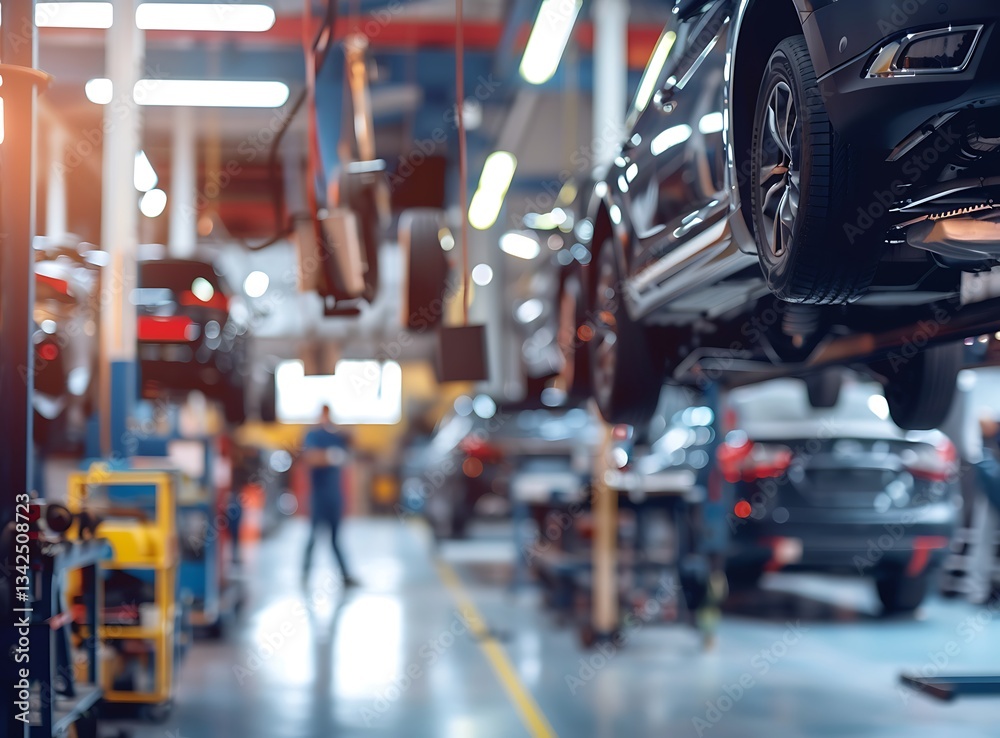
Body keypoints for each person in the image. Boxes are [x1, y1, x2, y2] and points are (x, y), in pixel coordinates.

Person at [302, 404, 359, 587]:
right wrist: (329, 456)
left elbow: (354, 441)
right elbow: (310, 458)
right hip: (319, 497)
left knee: (336, 539)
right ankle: (304, 574)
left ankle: (345, 576)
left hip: (334, 496)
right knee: (313, 537)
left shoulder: (335, 436)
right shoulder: (313, 435)